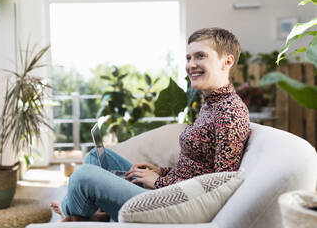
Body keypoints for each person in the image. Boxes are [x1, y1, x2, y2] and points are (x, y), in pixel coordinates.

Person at [50, 27, 251, 222]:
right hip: (168, 189)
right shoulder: (211, 104)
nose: (191, 65)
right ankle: (93, 213)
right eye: (188, 58)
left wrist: (159, 183)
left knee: (84, 175)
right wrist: (160, 171)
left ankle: (71, 210)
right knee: (96, 157)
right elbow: (197, 168)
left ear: (227, 61)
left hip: (172, 204)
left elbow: (220, 184)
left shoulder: (229, 112)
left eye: (200, 56)